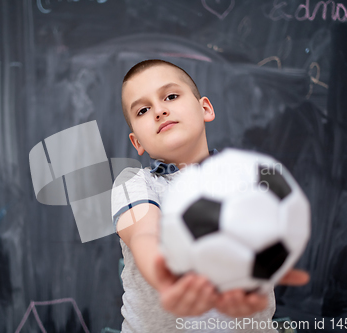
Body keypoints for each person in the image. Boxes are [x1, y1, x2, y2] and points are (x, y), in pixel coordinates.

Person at [111, 59, 309, 333]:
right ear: (137, 142)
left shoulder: (252, 180)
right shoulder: (135, 184)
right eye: (143, 110)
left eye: (171, 96)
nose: (159, 110)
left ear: (205, 108)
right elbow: (146, 236)